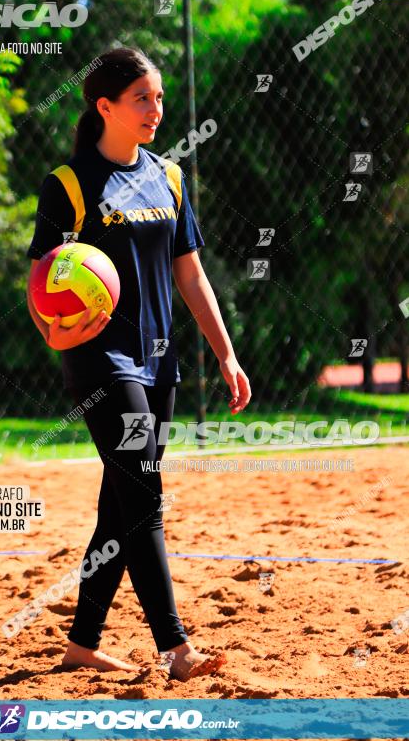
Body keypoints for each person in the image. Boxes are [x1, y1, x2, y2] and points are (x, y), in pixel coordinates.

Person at [26, 47, 251, 681]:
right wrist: (52, 327)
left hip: (159, 363)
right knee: (145, 498)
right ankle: (176, 649)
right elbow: (43, 278)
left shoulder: (169, 177)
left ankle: (82, 644)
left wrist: (225, 352)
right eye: (141, 100)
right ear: (105, 107)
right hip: (101, 361)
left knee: (119, 507)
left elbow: (189, 271)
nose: (156, 110)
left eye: (158, 98)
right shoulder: (69, 184)